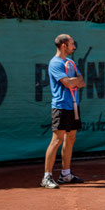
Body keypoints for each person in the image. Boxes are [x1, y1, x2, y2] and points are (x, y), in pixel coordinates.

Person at [42, 34, 86, 189]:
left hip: (73, 105)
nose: (74, 47)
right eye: (71, 44)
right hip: (60, 106)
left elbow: (82, 82)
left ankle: (65, 174)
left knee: (71, 138)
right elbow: (67, 83)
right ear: (63, 46)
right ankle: (47, 177)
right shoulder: (55, 63)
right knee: (57, 140)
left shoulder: (71, 63)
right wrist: (74, 81)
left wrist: (74, 81)